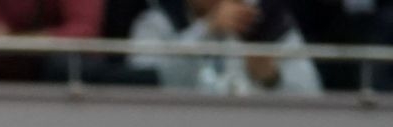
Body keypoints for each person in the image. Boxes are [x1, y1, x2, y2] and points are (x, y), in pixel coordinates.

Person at [127, 0, 323, 93]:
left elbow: (313, 94)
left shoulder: (266, 22)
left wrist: (272, 79)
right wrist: (205, 30)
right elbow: (142, 84)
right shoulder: (157, 22)